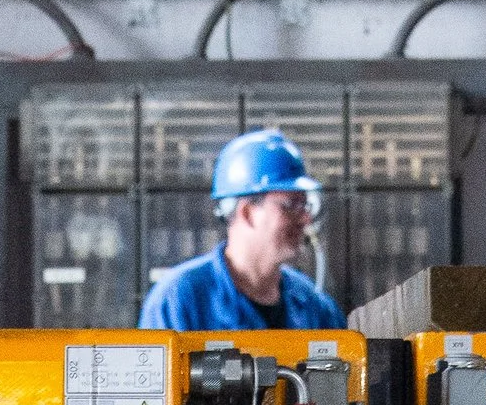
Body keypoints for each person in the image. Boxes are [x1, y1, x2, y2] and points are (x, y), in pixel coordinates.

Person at [139, 127, 348, 333]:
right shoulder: (180, 300)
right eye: (291, 205)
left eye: (305, 205)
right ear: (247, 212)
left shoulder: (314, 307)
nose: (305, 218)